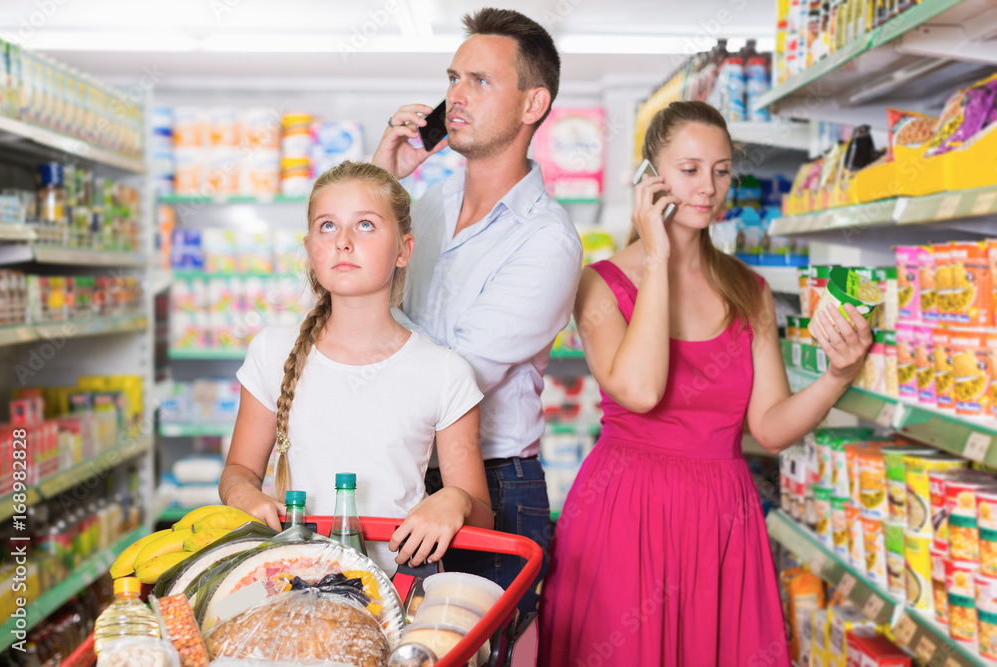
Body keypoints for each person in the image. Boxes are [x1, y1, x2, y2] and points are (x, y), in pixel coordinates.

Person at [538, 100, 872, 666]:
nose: (708, 187)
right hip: (628, 508)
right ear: (651, 176)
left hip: (722, 512)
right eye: (689, 169)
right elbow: (641, 390)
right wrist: (660, 256)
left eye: (721, 171)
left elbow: (769, 429)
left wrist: (839, 375)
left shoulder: (749, 289)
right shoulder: (600, 285)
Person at [372, 7, 583, 615]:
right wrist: (385, 180)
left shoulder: (547, 242)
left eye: (479, 81)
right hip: (405, 466)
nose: (454, 97)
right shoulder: (428, 203)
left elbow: (450, 380)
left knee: (470, 650)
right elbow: (346, 277)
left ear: (532, 104)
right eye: (452, 78)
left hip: (494, 486)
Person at [219, 160, 493, 573]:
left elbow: (482, 515)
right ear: (311, 248)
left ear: (404, 250)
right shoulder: (271, 352)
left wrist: (455, 500)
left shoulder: (444, 371)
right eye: (327, 226)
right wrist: (242, 493)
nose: (342, 242)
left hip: (398, 595)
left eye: (365, 225)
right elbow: (238, 471)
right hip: (291, 584)